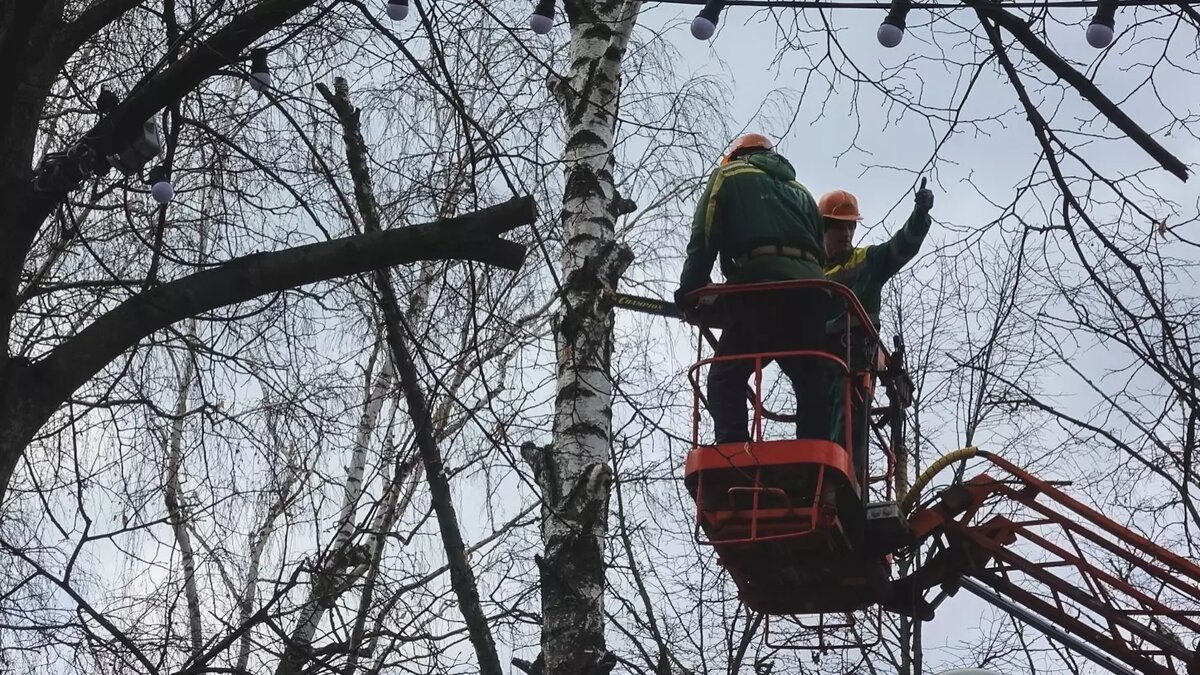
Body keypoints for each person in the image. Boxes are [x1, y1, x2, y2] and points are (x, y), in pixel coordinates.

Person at [675, 133, 831, 444]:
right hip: (812, 294)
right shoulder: (802, 192)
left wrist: (690, 289)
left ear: (737, 156)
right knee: (810, 378)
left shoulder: (729, 175)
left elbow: (705, 234)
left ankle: (733, 455)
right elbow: (821, 254)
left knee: (725, 376)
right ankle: (815, 459)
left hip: (761, 291)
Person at [819, 182, 934, 474]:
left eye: (850, 228)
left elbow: (902, 246)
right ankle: (816, 480)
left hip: (855, 361)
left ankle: (845, 486)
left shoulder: (868, 261)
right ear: (822, 230)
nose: (846, 234)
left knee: (848, 426)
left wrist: (920, 214)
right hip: (819, 363)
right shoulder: (810, 272)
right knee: (816, 426)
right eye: (839, 228)